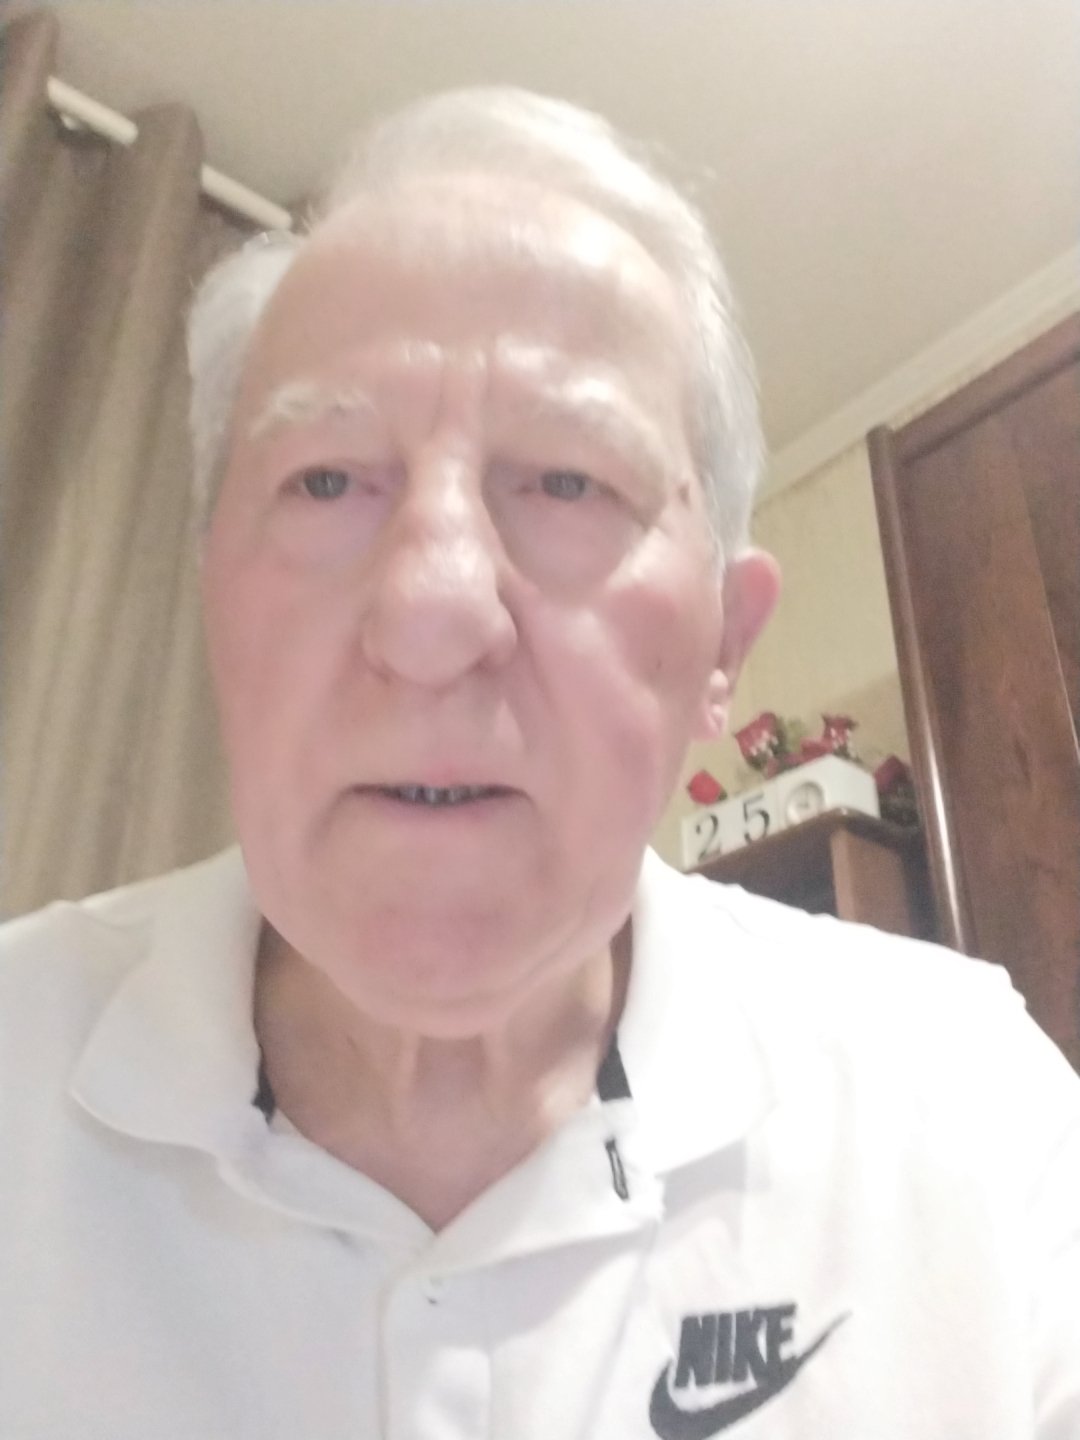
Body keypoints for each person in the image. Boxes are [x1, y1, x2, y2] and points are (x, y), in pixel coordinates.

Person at [1, 88, 1077, 1440]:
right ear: (215, 601)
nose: (432, 613)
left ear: (724, 641)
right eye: (325, 479)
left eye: (569, 482)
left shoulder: (969, 1105)